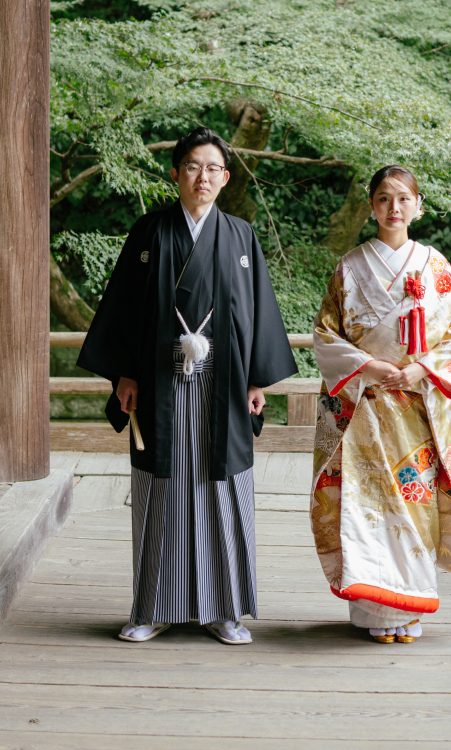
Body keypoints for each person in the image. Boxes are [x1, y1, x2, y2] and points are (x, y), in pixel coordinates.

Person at [78, 127, 297, 646]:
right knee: (162, 490)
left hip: (222, 383)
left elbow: (256, 313)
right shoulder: (150, 232)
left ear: (225, 177)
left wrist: (256, 379)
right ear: (175, 173)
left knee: (220, 486)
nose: (203, 177)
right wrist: (124, 373)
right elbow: (126, 308)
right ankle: (153, 606)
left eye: (213, 168)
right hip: (159, 380)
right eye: (193, 166)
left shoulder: (241, 235)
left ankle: (225, 609)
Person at [311, 165, 451, 643]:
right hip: (365, 405)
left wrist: (421, 370)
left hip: (417, 407)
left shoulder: (436, 266)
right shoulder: (349, 266)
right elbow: (326, 333)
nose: (394, 208)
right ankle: (373, 614)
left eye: (403, 199)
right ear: (371, 207)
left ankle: (409, 609)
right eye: (384, 199)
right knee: (366, 506)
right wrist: (368, 367)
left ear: (418, 206)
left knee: (414, 505)